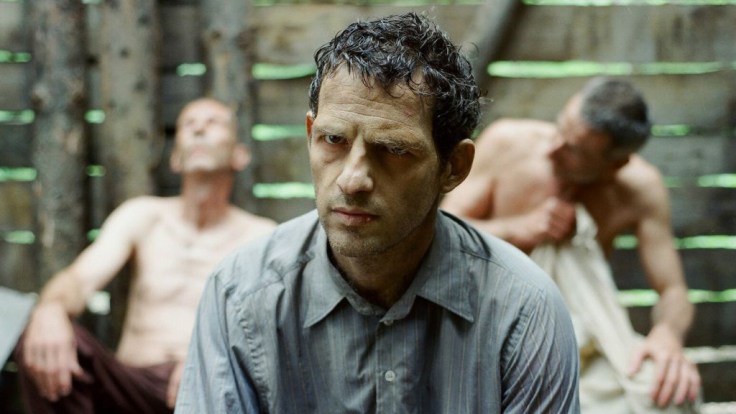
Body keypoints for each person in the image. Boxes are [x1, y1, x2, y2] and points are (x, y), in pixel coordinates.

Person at [175, 12, 580, 413]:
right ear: (311, 134)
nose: (352, 180)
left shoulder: (522, 311)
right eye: (333, 139)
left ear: (453, 168)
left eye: (394, 150)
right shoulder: (240, 295)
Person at [441, 77, 701, 412]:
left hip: (580, 340)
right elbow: (443, 230)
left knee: (670, 394)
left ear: (614, 165)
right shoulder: (508, 144)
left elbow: (673, 291)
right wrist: (519, 229)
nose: (553, 147)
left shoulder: (639, 189)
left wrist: (668, 335)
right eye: (560, 127)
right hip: (487, 325)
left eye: (574, 149)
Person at [14, 97, 277, 413]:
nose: (199, 130)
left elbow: (272, 331)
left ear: (239, 155)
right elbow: (79, 280)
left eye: (213, 123)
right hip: (131, 388)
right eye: (189, 125)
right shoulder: (143, 216)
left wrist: (208, 358)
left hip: (214, 387)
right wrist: (51, 308)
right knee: (40, 336)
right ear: (175, 159)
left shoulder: (261, 236)